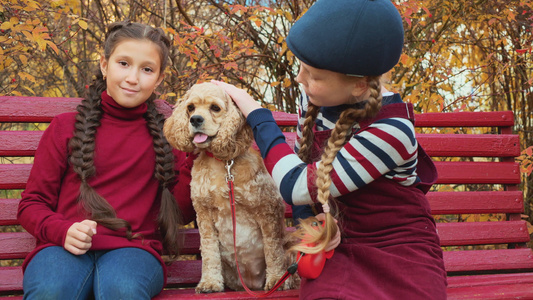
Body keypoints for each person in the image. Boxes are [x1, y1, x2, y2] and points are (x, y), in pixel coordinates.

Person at [213, 0, 447, 298]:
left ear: (360, 85)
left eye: (314, 75)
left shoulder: (393, 131)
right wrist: (311, 228)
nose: (300, 79)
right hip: (339, 246)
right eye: (302, 68)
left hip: (399, 251)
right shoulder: (314, 101)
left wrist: (256, 113)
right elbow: (304, 188)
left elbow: (295, 185)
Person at [17, 20, 196, 299]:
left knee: (121, 289)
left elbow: (181, 213)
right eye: (123, 63)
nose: (133, 78)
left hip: (134, 251)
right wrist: (62, 231)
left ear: (159, 78)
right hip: (62, 247)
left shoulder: (169, 135)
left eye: (147, 69)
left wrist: (195, 159)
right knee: (51, 290)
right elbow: (32, 204)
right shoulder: (66, 127)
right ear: (104, 64)